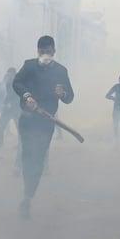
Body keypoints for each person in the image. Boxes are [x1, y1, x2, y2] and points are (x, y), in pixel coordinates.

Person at [12, 35, 74, 219]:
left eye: (49, 51)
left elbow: (70, 97)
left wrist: (62, 93)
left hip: (46, 122)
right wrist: (27, 95)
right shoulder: (29, 66)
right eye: (42, 51)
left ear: (54, 51)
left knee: (38, 159)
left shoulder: (61, 71)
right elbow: (17, 83)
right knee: (27, 156)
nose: (45, 54)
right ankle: (26, 190)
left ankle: (28, 197)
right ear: (37, 51)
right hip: (27, 118)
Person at [0, 67, 20, 147]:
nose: (7, 75)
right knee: (3, 125)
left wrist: (8, 103)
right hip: (13, 107)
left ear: (12, 73)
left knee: (3, 125)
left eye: (8, 74)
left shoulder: (13, 80)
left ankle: (1, 142)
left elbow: (12, 93)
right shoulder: (12, 80)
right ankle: (0, 142)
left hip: (13, 107)